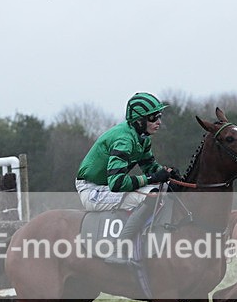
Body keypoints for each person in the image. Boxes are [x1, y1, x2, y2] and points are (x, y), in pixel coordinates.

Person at [75, 92, 175, 263]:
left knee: (164, 188)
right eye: (153, 117)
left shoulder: (142, 138)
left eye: (159, 116)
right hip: (93, 190)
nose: (158, 122)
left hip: (106, 187)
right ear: (139, 121)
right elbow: (117, 183)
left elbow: (150, 167)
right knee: (151, 194)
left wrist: (170, 175)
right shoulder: (124, 140)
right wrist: (151, 178)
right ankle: (119, 249)